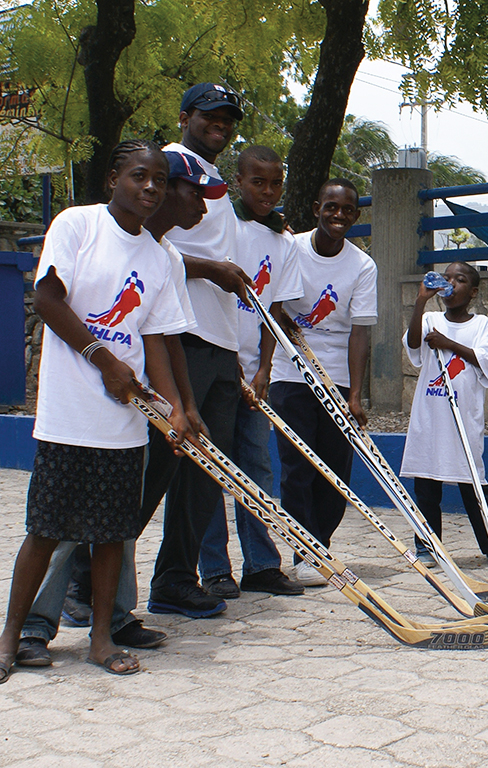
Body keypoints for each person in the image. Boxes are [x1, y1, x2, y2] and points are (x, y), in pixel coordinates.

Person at [13, 147, 222, 667]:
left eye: (157, 180)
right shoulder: (77, 225)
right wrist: (103, 360)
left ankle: (103, 637)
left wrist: (177, 407)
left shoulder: (161, 257)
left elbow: (157, 341)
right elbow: (47, 300)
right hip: (69, 414)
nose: (149, 188)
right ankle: (16, 635)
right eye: (139, 177)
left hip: (124, 421)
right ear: (113, 179)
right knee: (46, 530)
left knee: (113, 534)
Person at [145, 82, 255, 619]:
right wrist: (213, 270)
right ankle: (82, 584)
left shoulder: (211, 181)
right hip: (179, 335)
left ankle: (175, 581)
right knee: (156, 470)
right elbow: (150, 249)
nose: (222, 124)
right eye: (211, 115)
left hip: (217, 340)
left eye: (229, 117)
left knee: (207, 475)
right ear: (186, 115)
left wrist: (233, 352)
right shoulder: (168, 166)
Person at [197, 145, 304, 598]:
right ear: (238, 181)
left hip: (254, 373)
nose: (267, 191)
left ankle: (261, 564)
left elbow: (273, 311)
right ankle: (215, 570)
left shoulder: (283, 242)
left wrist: (264, 370)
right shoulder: (224, 226)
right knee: (212, 471)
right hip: (216, 364)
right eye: (257, 181)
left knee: (257, 465)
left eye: (275, 182)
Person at [269, 178, 376, 587]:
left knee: (334, 470)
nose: (338, 216)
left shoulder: (362, 265)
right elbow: (273, 305)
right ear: (317, 207)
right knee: (297, 466)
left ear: (355, 215)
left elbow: (360, 332)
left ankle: (320, 545)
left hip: (335, 375)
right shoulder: (290, 249)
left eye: (347, 210)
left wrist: (354, 393)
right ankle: (303, 552)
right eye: (331, 207)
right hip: (289, 371)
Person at [400, 261, 488, 567]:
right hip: (430, 420)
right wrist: (421, 301)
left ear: (473, 291)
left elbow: (485, 361)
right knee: (426, 488)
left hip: (463, 422)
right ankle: (427, 546)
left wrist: (448, 343)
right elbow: (413, 346)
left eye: (460, 280)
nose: (451, 284)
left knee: (474, 486)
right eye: (446, 278)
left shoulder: (479, 326)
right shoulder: (429, 319)